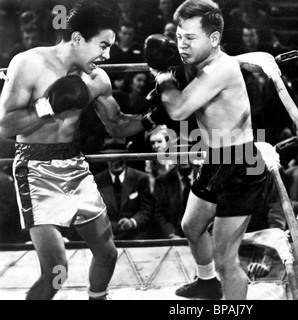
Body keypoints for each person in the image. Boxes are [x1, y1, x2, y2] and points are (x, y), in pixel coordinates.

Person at [0, 1, 149, 300]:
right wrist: (48, 106)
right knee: (57, 270)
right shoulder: (29, 64)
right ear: (78, 38)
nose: (107, 55)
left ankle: (98, 297)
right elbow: (5, 125)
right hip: (34, 168)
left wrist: (153, 116)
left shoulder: (97, 79)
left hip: (74, 165)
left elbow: (117, 125)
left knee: (108, 253)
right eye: (103, 45)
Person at [148, 0, 281, 300]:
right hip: (216, 160)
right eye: (179, 37)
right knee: (191, 226)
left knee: (226, 260)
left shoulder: (219, 69)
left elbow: (180, 109)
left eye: (190, 38)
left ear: (214, 39)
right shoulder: (205, 60)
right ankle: (206, 282)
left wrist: (163, 79)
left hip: (241, 164)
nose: (182, 45)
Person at [94, 140, 154, 240]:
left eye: (120, 158)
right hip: (107, 236)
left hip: (136, 236)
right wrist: (111, 226)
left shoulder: (140, 178)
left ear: (125, 159)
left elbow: (146, 210)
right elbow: (95, 212)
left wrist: (132, 222)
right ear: (105, 159)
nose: (116, 162)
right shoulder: (97, 181)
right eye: (112, 158)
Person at [153, 162, 198, 239]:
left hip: (202, 231)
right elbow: (159, 213)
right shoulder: (163, 180)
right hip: (175, 233)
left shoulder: (207, 176)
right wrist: (172, 234)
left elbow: (215, 209)